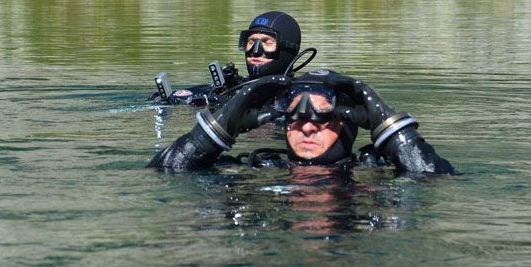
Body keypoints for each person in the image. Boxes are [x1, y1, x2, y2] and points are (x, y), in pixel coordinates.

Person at [149, 68, 454, 174]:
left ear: (350, 123)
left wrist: (389, 127)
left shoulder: (377, 170)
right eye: (295, 118)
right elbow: (164, 173)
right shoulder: (255, 168)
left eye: (323, 118)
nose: (307, 127)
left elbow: (431, 180)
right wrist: (221, 125)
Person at [151, 11, 314, 106]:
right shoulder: (238, 86)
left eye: (266, 42)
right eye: (251, 42)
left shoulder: (299, 94)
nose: (255, 51)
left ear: (287, 48)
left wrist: (216, 102)